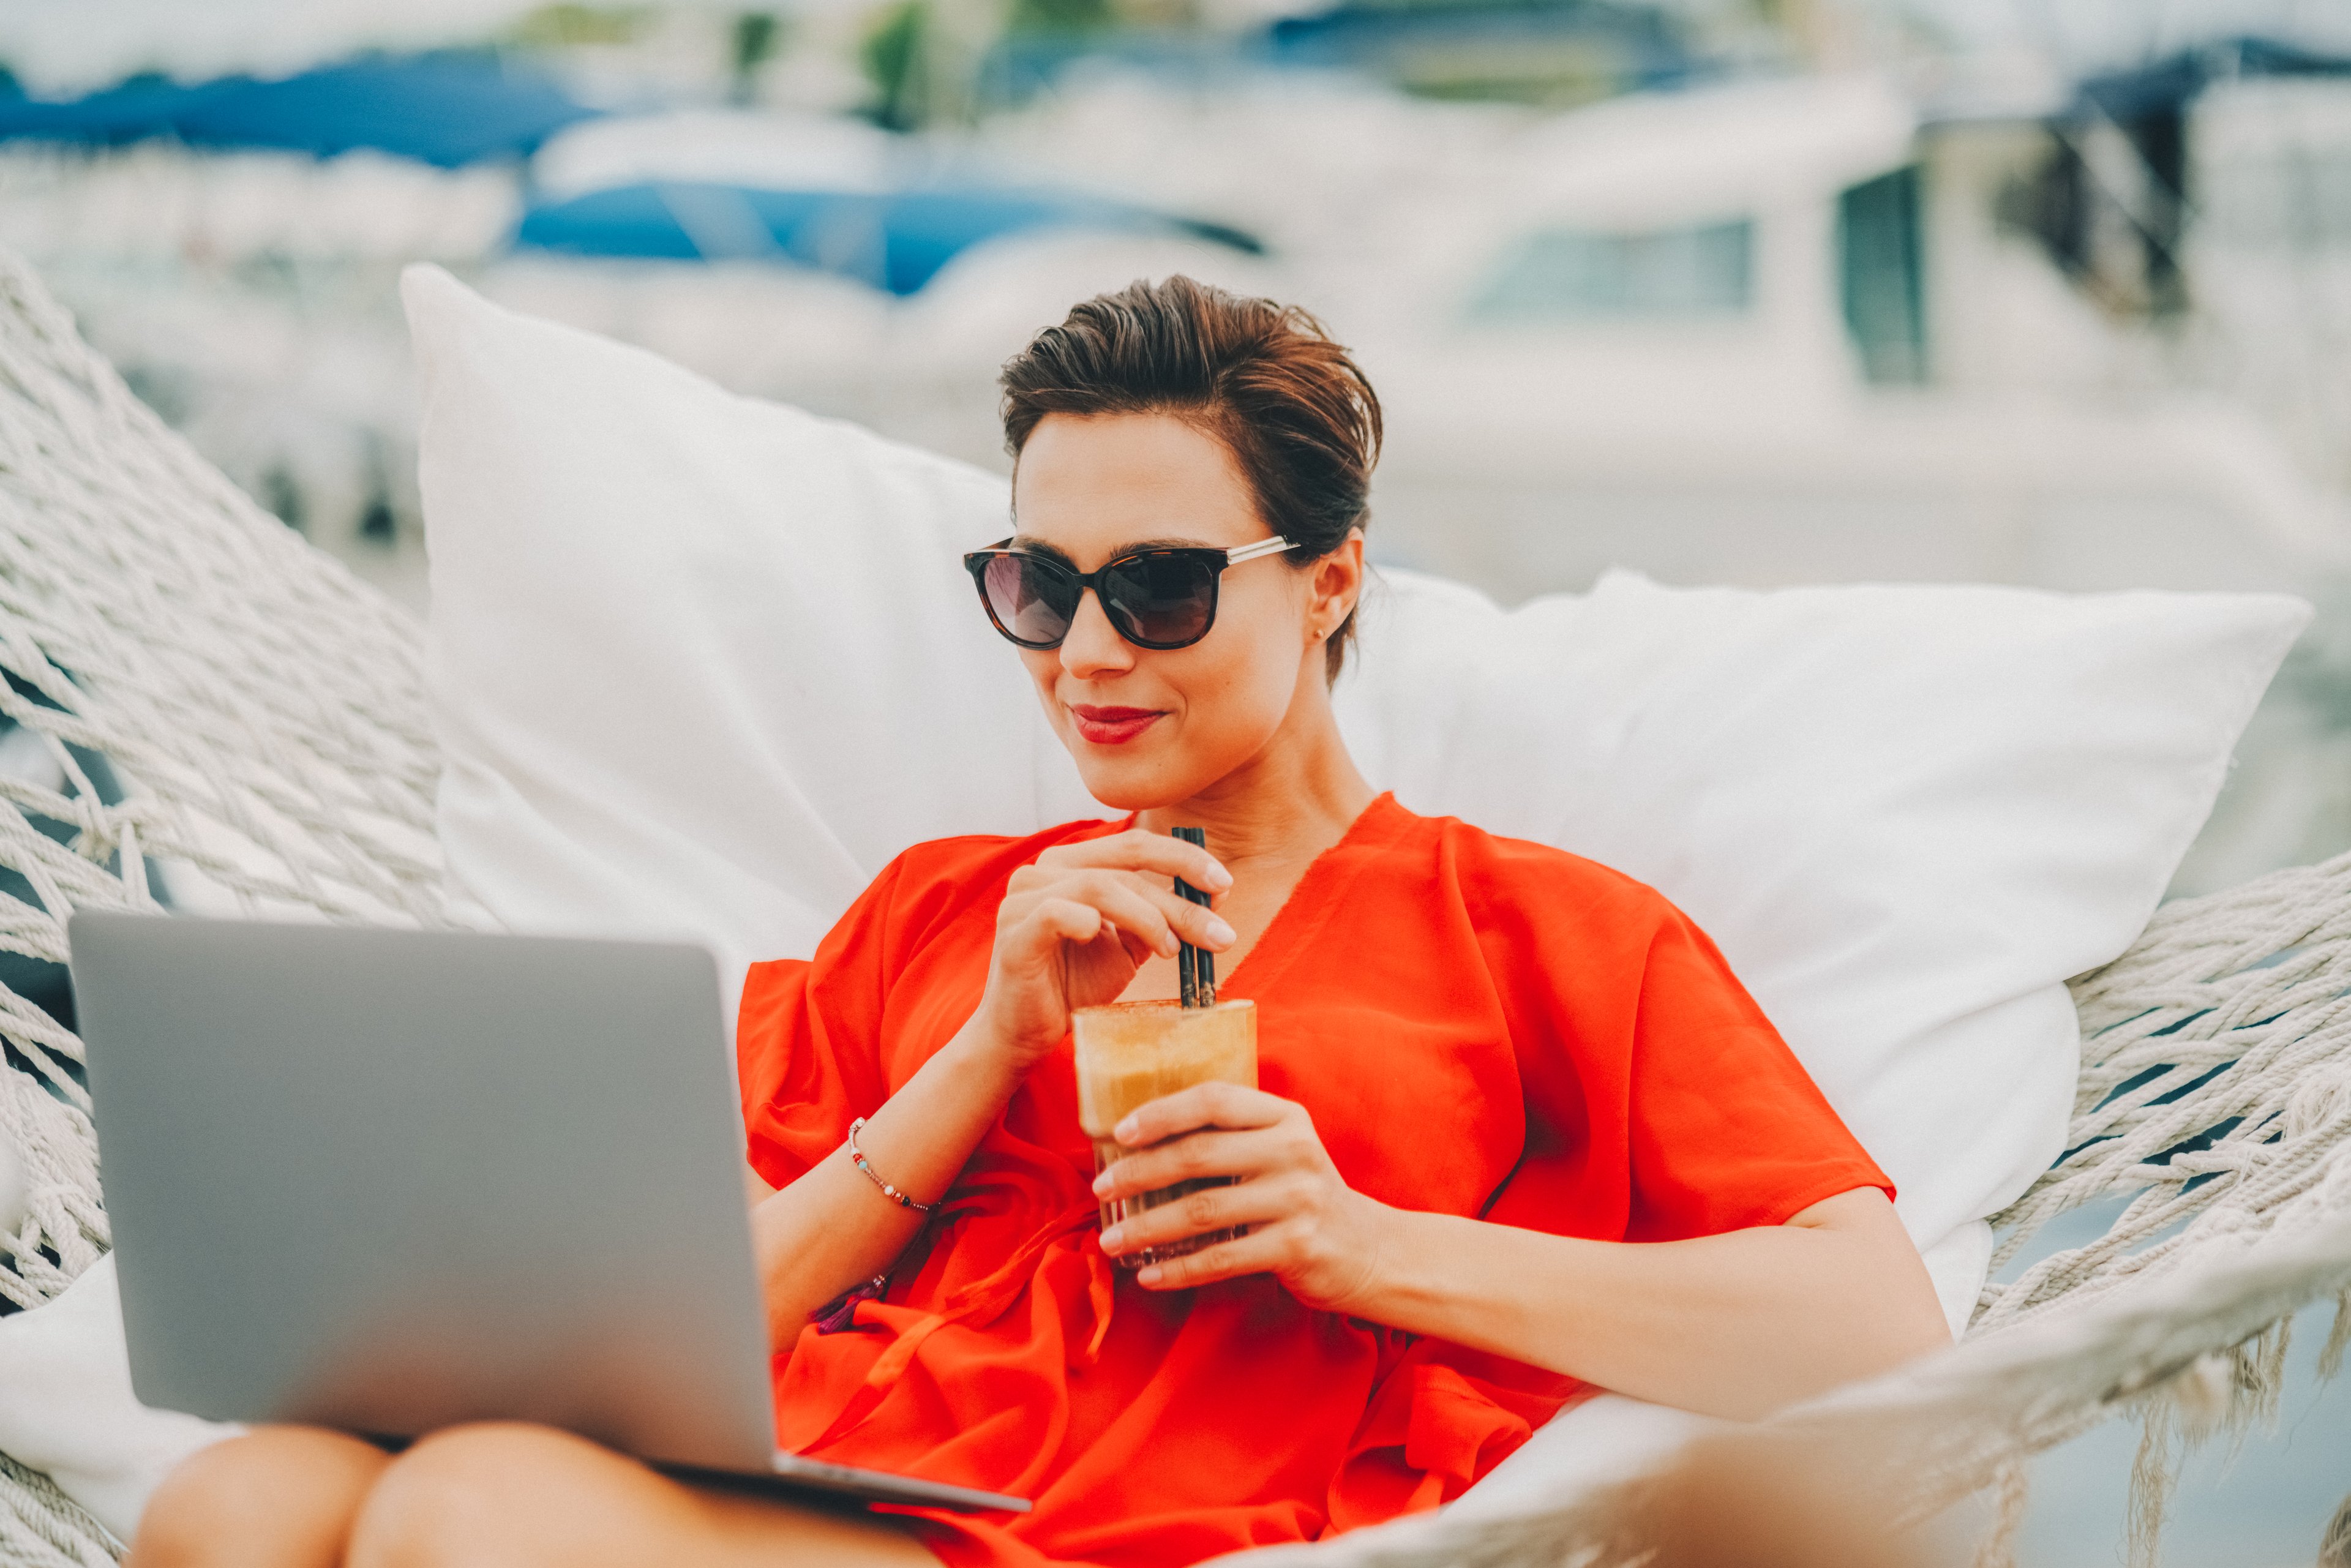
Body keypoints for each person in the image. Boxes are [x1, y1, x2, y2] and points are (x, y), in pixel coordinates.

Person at [131, 277, 1950, 1568]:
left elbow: (1871, 1321)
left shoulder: (1533, 928)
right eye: (1040, 583)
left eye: (1159, 587)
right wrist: (981, 1053)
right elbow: (664, 1317)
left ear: (1328, 587)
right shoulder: (938, 914)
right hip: (798, 1477)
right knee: (231, 1505)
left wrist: (1358, 1241)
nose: (1088, 653)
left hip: (1077, 1533)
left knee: (473, 1517)